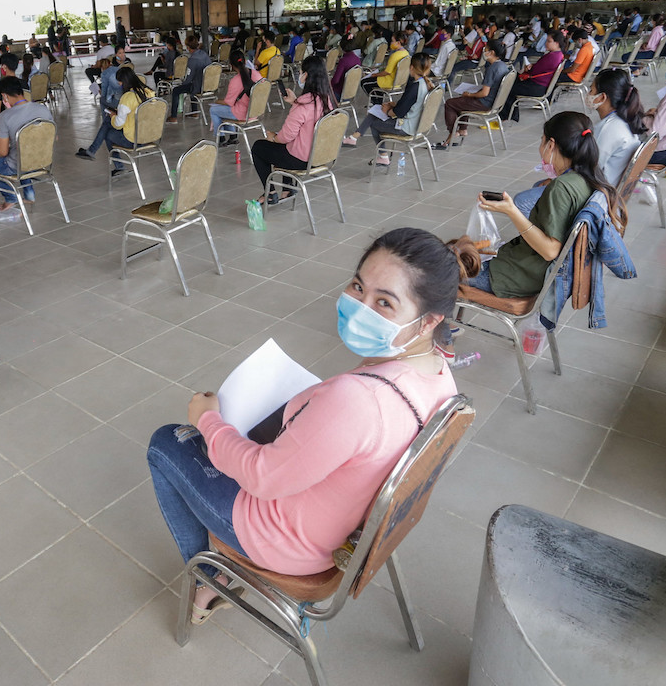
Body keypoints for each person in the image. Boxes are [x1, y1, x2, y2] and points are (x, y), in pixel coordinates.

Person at [148, 226, 467, 622]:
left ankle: (211, 579)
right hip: (341, 523)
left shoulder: (360, 398)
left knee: (167, 443)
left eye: (384, 302)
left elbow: (262, 477)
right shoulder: (440, 375)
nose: (360, 306)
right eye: (357, 286)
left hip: (287, 541)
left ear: (426, 321)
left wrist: (209, 420)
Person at [465, 111, 615, 298]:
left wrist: (512, 211)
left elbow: (550, 250)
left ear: (550, 145)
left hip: (519, 277)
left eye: (542, 140)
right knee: (458, 252)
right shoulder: (590, 176)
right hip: (528, 269)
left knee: (436, 269)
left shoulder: (561, 188)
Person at [250, 55, 335, 203]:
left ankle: (269, 193)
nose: (299, 76)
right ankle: (288, 189)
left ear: (306, 76)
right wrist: (295, 102)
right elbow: (309, 116)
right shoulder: (327, 100)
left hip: (301, 160)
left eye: (301, 72)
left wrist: (273, 137)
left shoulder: (303, 106)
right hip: (321, 156)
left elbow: (285, 137)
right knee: (287, 145)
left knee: (259, 147)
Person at [0, 76, 53, 220]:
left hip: (16, 166)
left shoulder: (5, 116)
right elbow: (53, 137)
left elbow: (2, 152)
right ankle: (29, 195)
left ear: (4, 96)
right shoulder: (43, 109)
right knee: (23, 153)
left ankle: (10, 195)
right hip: (42, 163)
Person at [343, 53, 434, 168]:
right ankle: (354, 138)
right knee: (375, 112)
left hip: (407, 127)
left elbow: (398, 113)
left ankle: (382, 155)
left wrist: (387, 110)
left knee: (374, 122)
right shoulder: (424, 83)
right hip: (417, 124)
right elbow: (411, 104)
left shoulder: (414, 87)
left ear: (411, 67)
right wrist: (393, 104)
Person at [435, 39, 509, 148]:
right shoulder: (503, 66)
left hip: (485, 102)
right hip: (496, 102)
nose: (484, 52)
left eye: (486, 49)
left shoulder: (492, 68)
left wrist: (469, 95)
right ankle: (462, 129)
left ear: (492, 53)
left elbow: (484, 93)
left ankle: (453, 132)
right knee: (461, 101)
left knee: (450, 103)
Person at [589, 68, 645, 184]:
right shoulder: (624, 120)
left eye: (591, 90)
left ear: (602, 97)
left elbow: (589, 168)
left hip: (600, 192)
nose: (589, 94)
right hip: (612, 185)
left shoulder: (608, 129)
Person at [75, 47, 132, 161]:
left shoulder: (106, 74)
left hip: (131, 134)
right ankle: (116, 164)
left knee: (104, 107)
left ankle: (105, 116)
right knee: (107, 124)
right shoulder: (126, 67)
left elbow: (105, 95)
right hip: (145, 133)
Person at [500, 30, 565, 122]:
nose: (546, 43)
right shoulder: (559, 55)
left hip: (537, 86)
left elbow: (533, 72)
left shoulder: (552, 57)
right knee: (511, 78)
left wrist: (529, 68)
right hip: (542, 85)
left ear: (557, 43)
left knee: (507, 87)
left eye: (549, 41)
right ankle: (510, 114)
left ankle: (506, 115)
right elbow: (540, 68)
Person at [103, 68, 156, 178]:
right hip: (150, 136)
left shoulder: (127, 97)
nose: (119, 84)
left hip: (134, 140)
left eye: (120, 82)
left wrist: (113, 116)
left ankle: (119, 167)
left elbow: (118, 124)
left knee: (108, 134)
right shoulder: (149, 92)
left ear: (124, 82)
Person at [209, 48, 263, 144]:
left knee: (214, 110)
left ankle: (221, 139)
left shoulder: (235, 80)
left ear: (232, 66)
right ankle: (232, 137)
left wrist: (217, 101)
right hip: (256, 112)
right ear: (245, 61)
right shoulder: (257, 75)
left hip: (242, 114)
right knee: (226, 108)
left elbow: (229, 102)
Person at [166, 35, 212, 123]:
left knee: (177, 90)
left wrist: (182, 83)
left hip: (198, 87)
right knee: (194, 83)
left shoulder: (192, 60)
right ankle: (194, 112)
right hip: (208, 84)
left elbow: (188, 78)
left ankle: (173, 117)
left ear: (187, 47)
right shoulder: (204, 54)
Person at [361, 31, 409, 105]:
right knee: (374, 83)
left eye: (393, 41)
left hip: (388, 81)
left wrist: (375, 75)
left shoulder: (395, 55)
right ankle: (379, 102)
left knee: (364, 83)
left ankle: (376, 103)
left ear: (398, 43)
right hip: (398, 82)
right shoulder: (406, 53)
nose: (391, 43)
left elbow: (387, 72)